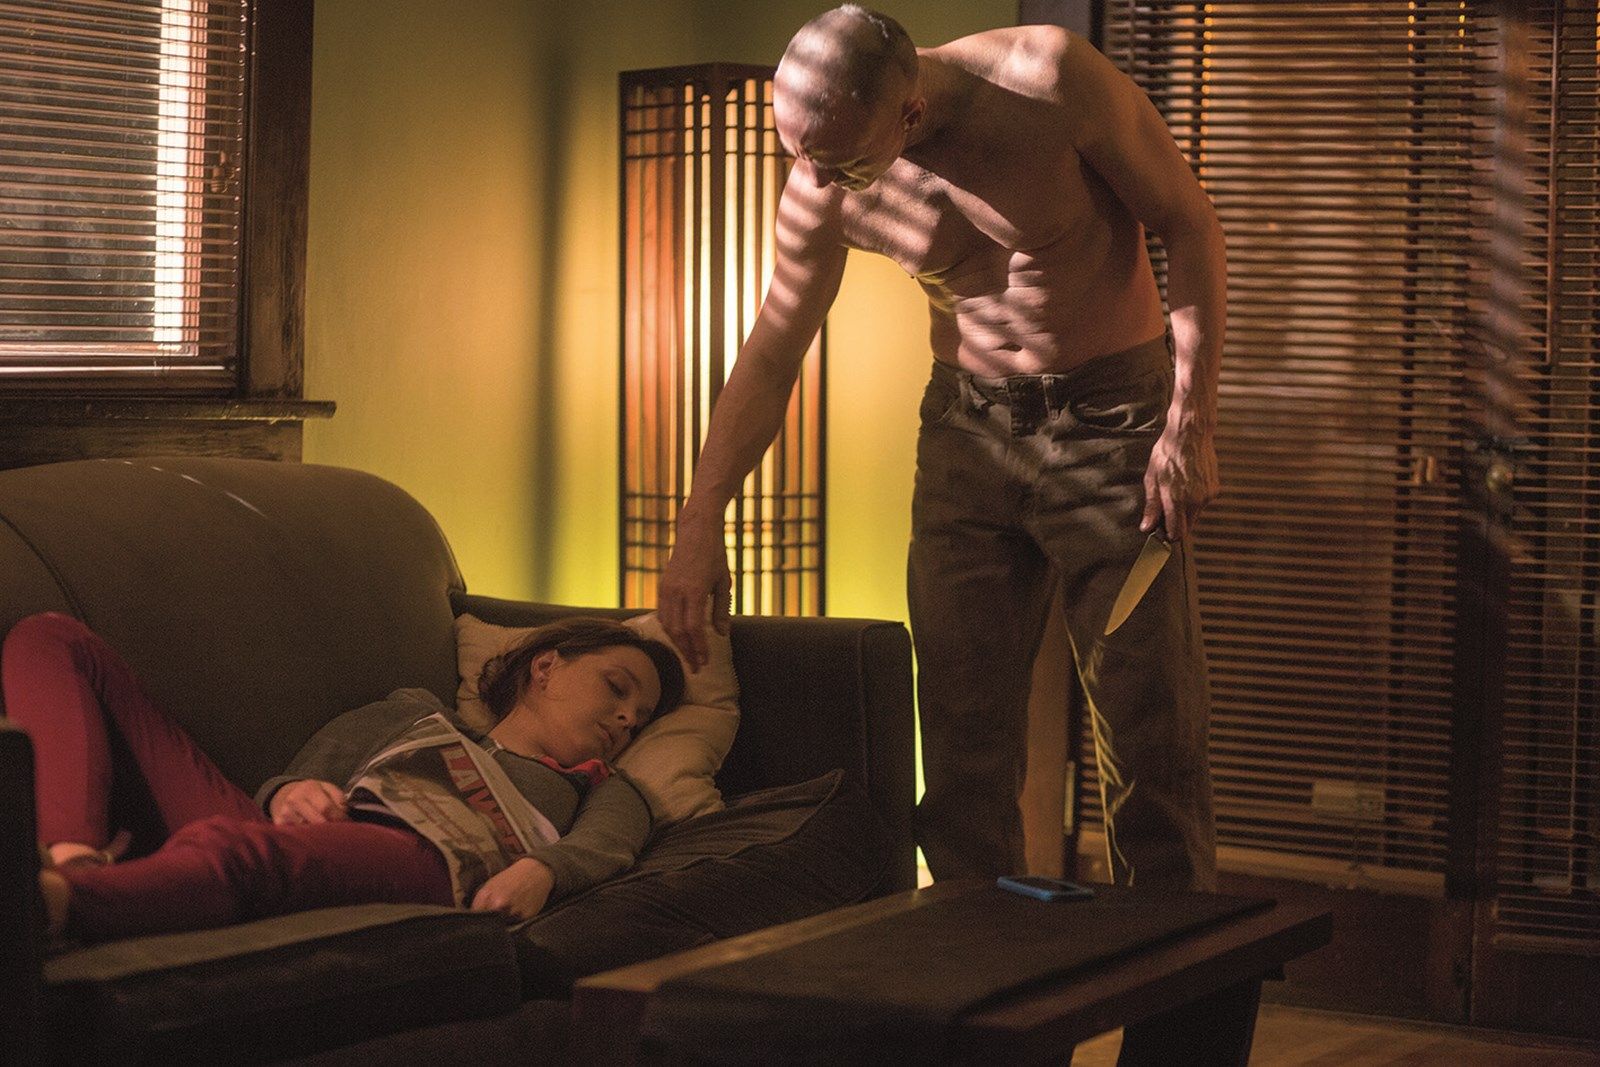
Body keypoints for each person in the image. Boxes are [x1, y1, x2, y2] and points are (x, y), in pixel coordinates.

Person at [659, 6, 1223, 892]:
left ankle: (1176, 983)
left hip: (1112, 422)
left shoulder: (1050, 81)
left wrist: (1188, 421)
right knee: (962, 759)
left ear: (910, 114)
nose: (813, 179)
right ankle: (987, 981)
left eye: (839, 161)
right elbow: (772, 351)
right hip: (967, 433)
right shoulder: (820, 181)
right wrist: (700, 518)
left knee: (1151, 737)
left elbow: (1189, 225)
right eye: (798, 151)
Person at [5, 611, 684, 943]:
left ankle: (57, 904)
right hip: (308, 836)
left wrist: (541, 872)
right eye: (616, 687)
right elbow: (305, 774)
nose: (627, 717)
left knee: (238, 851)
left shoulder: (605, 788)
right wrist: (290, 792)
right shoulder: (416, 711)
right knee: (53, 639)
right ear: (547, 667)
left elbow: (606, 846)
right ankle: (70, 854)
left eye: (641, 717)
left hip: (432, 855)